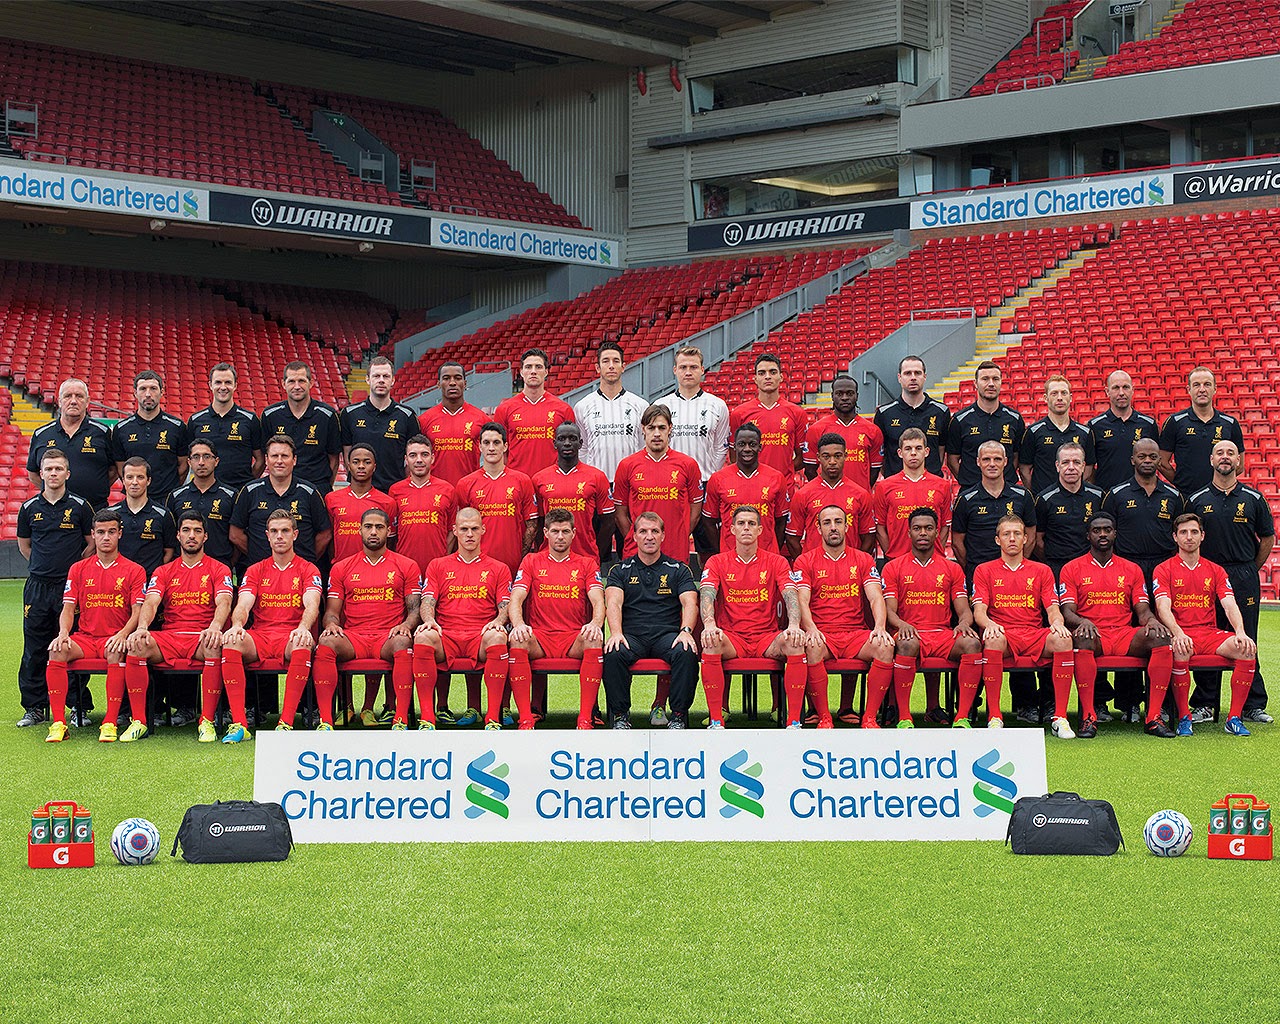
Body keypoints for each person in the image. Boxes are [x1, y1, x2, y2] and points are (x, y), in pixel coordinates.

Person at [1058, 513, 1174, 739]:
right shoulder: (1071, 568)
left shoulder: (1131, 569)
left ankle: (1153, 717)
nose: (1102, 534)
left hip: (1123, 635)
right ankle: (1088, 717)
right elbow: (1067, 612)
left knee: (1160, 637)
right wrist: (1083, 621)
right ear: (1088, 535)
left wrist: (1151, 620)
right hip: (1094, 635)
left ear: (1115, 534)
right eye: (1097, 530)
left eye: (1107, 529)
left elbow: (1142, 610)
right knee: (1082, 637)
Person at [126, 512, 236, 742]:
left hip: (201, 636)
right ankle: (139, 721)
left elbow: (224, 601)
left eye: (197, 531)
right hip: (170, 636)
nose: (191, 536)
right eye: (186, 530)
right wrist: (142, 627)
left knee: (214, 645)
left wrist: (216, 626)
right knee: (137, 645)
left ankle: (207, 721)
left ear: (205, 536)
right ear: (177, 536)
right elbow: (151, 601)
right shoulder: (164, 571)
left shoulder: (219, 569)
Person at [1099, 437, 1186, 721]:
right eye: (1142, 456)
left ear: (1160, 461)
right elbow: (1106, 533)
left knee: (1162, 633)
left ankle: (1161, 703)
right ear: (1132, 460)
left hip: (1164, 570)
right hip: (1128, 570)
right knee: (1131, 633)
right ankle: (1129, 703)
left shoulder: (1173, 496)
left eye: (1153, 456)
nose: (1148, 461)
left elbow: (1181, 535)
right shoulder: (1117, 494)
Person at [1186, 440, 1273, 724]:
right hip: (1206, 578)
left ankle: (1252, 704)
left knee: (1247, 637)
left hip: (1243, 576)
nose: (1225, 458)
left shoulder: (1254, 498)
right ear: (1211, 459)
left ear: (1239, 461)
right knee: (1208, 636)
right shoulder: (1197, 499)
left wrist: (1249, 568)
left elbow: (1267, 538)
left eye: (1230, 453)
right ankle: (1204, 704)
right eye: (1220, 453)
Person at [43, 510, 147, 743]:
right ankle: (59, 723)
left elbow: (137, 611)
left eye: (111, 532)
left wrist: (122, 634)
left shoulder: (134, 570)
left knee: (115, 650)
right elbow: (68, 608)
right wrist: (63, 634)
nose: (106, 537)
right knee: (56, 649)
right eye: (100, 532)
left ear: (120, 534)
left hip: (115, 638)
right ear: (93, 534)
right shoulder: (78, 569)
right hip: (86, 639)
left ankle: (110, 722)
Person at [699, 505, 806, 729]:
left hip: (766, 638)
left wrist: (794, 624)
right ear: (731, 530)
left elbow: (790, 594)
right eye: (741, 524)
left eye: (751, 524)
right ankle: (716, 720)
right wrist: (709, 624)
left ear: (760, 530)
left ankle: (793, 721)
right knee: (711, 642)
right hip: (732, 638)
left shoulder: (777, 561)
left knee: (794, 641)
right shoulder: (717, 562)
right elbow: (707, 594)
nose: (746, 528)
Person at [1153, 513, 1258, 737]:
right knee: (1181, 648)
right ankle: (1184, 717)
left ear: (1202, 536)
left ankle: (1234, 718)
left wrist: (1240, 632)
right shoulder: (1164, 569)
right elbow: (1163, 607)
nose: (1188, 537)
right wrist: (1178, 633)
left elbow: (1229, 604)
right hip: (1182, 633)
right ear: (1175, 537)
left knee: (1247, 649)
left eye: (1194, 532)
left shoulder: (1215, 570)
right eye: (1183, 532)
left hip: (1210, 634)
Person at [969, 516, 1074, 734]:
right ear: (998, 540)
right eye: (1006, 534)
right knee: (993, 638)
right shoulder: (984, 570)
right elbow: (979, 612)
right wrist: (990, 624)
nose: (1012, 539)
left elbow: (1053, 608)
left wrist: (1057, 623)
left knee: (1063, 639)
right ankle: (995, 716)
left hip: (1034, 634)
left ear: (1026, 539)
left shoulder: (1041, 570)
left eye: (1017, 534)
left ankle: (1060, 717)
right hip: (1005, 635)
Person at [794, 504, 896, 729]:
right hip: (823, 634)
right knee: (811, 647)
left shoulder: (863, 559)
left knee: (885, 646)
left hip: (855, 634)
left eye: (838, 522)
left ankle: (869, 718)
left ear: (847, 526)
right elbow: (801, 600)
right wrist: (811, 628)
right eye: (827, 523)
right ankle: (824, 717)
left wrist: (879, 627)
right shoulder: (805, 560)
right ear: (818, 528)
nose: (833, 528)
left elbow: (876, 598)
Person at [317, 508, 420, 729]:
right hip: (355, 638)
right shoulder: (341, 567)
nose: (373, 532)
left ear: (388, 531)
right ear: (359, 530)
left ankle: (400, 718)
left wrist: (406, 625)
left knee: (403, 641)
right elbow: (332, 611)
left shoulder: (407, 565)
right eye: (368, 527)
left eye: (379, 527)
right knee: (326, 641)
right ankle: (326, 720)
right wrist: (332, 624)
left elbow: (414, 609)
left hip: (387, 637)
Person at [221, 510, 324, 732]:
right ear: (267, 535)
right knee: (231, 641)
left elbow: (312, 603)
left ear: (295, 535)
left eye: (285, 531)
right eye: (274, 531)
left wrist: (304, 628)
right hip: (261, 636)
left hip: (290, 636)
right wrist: (237, 625)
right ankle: (239, 723)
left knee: (302, 642)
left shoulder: (308, 568)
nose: (279, 536)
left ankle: (285, 723)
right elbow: (244, 603)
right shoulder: (256, 569)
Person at [412, 508, 512, 730]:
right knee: (423, 637)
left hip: (480, 636)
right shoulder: (438, 565)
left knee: (497, 637)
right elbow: (427, 600)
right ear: (455, 530)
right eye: (464, 529)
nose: (469, 534)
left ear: (483, 531)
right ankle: (427, 719)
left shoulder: (499, 568)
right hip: (446, 634)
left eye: (474, 529)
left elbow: (506, 603)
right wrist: (429, 619)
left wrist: (499, 620)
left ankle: (493, 718)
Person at [881, 509, 980, 730]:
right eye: (917, 528)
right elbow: (889, 611)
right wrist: (902, 624)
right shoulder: (893, 567)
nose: (923, 533)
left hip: (942, 634)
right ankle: (904, 716)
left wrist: (964, 623)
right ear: (909, 533)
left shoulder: (952, 568)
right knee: (907, 643)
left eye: (928, 528)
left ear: (937, 532)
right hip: (909, 633)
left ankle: (962, 717)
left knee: (972, 643)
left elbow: (964, 610)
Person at [16, 449, 94, 728]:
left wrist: (71, 571)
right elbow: (25, 547)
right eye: (48, 469)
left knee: (72, 644)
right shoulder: (28, 509)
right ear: (41, 474)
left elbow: (91, 543)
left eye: (58, 469)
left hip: (69, 587)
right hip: (37, 586)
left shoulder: (81, 506)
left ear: (67, 474)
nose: (53, 474)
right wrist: (42, 567)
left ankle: (77, 705)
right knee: (35, 647)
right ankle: (35, 707)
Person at [509, 509, 606, 729]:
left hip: (573, 638)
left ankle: (585, 719)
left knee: (593, 639)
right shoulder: (531, 561)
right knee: (518, 639)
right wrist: (518, 625)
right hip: (541, 638)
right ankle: (525, 719)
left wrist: (595, 624)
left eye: (564, 531)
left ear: (573, 533)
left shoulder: (587, 563)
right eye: (555, 531)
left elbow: (598, 601)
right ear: (545, 533)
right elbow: (516, 599)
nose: (560, 536)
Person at [602, 512, 699, 728]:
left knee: (686, 651)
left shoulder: (678, 569)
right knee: (613, 653)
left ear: (663, 535)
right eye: (643, 531)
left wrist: (685, 631)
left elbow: (690, 603)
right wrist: (616, 633)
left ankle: (678, 717)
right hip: (632, 637)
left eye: (655, 531)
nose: (649, 536)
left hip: (666, 636)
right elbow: (614, 603)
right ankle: (620, 716)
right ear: (634, 536)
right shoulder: (620, 570)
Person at [613, 404, 704, 563]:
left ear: (670, 428)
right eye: (651, 427)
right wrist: (638, 538)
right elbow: (620, 514)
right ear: (643, 429)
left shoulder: (688, 464)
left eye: (661, 427)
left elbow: (695, 511)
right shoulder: (627, 465)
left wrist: (679, 536)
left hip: (675, 552)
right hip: (637, 553)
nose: (656, 433)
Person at [230, 436, 331, 567]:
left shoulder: (309, 492)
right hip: (260, 572)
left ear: (294, 460)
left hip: (300, 573)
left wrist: (304, 561)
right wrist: (259, 556)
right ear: (266, 460)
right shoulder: (250, 491)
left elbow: (325, 535)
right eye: (274, 456)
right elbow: (235, 534)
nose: (279, 461)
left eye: (284, 456)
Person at [454, 422, 538, 574]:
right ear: (480, 447)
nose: (491, 448)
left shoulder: (522, 481)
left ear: (505, 446)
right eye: (486, 443)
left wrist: (520, 556)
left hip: (512, 564)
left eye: (496, 442)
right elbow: (460, 529)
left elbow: (531, 525)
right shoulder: (465, 484)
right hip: (477, 566)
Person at [950, 441, 1037, 585]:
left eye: (997, 459)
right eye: (986, 459)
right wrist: (975, 569)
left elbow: (1031, 535)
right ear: (978, 462)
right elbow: (957, 543)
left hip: (1016, 574)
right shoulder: (965, 499)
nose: (992, 464)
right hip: (979, 575)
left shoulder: (1023, 496)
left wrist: (1016, 564)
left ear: (1006, 461)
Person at [702, 423, 791, 555]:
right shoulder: (718, 479)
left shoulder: (776, 478)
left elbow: (781, 522)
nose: (747, 449)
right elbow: (709, 521)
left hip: (767, 558)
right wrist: (722, 552)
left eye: (752, 444)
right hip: (730, 558)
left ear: (760, 447)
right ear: (734, 447)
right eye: (742, 444)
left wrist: (770, 552)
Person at [27, 377, 115, 509]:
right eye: (68, 396)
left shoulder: (103, 432)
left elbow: (114, 470)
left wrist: (95, 488)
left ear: (87, 402)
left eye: (79, 396)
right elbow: (33, 473)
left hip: (95, 510)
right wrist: (54, 492)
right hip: (54, 511)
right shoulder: (41, 434)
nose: (73, 401)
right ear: (60, 401)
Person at [531, 422, 614, 561]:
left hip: (586, 557)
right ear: (554, 443)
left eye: (572, 438)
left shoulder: (597, 477)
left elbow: (609, 522)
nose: (567, 443)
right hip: (549, 558)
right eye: (562, 439)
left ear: (581, 443)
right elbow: (538, 523)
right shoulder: (539, 479)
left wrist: (595, 553)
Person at [1159, 366, 1244, 495]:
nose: (1202, 389)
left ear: (1215, 389)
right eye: (1197, 385)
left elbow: (1239, 465)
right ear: (1189, 389)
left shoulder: (1230, 423)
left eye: (1207, 384)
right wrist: (1182, 484)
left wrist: (1219, 484)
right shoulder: (1175, 422)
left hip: (1221, 497)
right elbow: (1162, 462)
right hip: (1187, 497)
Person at [786, 433, 875, 557]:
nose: (832, 462)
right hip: (815, 571)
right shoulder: (803, 494)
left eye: (837, 456)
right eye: (826, 456)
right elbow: (792, 538)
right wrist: (807, 565)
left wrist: (855, 563)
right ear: (818, 457)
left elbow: (869, 538)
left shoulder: (860, 494)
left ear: (845, 456)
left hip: (850, 571)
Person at [259, 360, 341, 494]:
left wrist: (325, 486)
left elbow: (334, 459)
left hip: (317, 487)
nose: (297, 386)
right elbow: (264, 456)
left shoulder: (327, 415)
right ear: (283, 384)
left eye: (302, 381)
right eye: (291, 381)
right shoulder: (270, 415)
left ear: (311, 383)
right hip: (280, 489)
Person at [340, 355, 418, 493]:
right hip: (360, 491)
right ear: (367, 379)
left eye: (386, 376)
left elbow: (412, 456)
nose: (381, 380)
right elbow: (347, 455)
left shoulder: (407, 416)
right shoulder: (349, 414)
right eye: (376, 376)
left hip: (394, 491)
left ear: (393, 380)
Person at [573, 341, 647, 483]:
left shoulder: (640, 405)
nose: (611, 366)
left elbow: (643, 447)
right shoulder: (582, 406)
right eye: (606, 361)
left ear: (623, 367)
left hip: (631, 483)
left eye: (616, 361)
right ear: (597, 368)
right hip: (596, 484)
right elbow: (582, 450)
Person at [494, 347, 576, 477]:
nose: (533, 371)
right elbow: (500, 452)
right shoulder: (504, 409)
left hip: (552, 482)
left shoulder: (563, 409)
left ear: (546, 372)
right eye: (528, 367)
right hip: (517, 482)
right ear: (521, 372)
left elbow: (571, 451)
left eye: (538, 367)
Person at [872, 428, 952, 559]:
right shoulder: (884, 486)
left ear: (926, 452)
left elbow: (944, 527)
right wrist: (892, 556)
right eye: (908, 449)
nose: (913, 453)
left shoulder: (942, 485)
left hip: (932, 561)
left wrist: (934, 554)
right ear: (900, 453)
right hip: (897, 560)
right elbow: (880, 528)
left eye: (918, 448)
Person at [110, 370, 189, 503]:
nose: (148, 394)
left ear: (161, 392)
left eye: (153, 388)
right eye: (142, 389)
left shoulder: (177, 427)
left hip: (167, 500)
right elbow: (120, 467)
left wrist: (166, 489)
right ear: (135, 393)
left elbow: (183, 466)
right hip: (133, 501)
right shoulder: (121, 429)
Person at [946, 360, 1024, 488]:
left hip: (1007, 493)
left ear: (1001, 382)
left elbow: (1015, 456)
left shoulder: (1014, 419)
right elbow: (952, 459)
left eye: (995, 379)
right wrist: (969, 482)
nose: (991, 384)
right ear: (975, 383)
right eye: (985, 379)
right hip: (971, 491)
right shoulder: (960, 420)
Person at [389, 434, 458, 576]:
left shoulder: (447, 490)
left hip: (438, 570)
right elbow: (391, 534)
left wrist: (442, 558)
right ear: (406, 460)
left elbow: (452, 531)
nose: (419, 460)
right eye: (413, 455)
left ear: (432, 458)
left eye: (424, 455)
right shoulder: (395, 491)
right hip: (404, 569)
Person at [1033, 443, 1105, 577]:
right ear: (1057, 466)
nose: (1071, 467)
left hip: (1091, 567)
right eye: (1065, 462)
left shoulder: (1098, 496)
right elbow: (1038, 540)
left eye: (1076, 462)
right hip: (1057, 567)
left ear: (1083, 466)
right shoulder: (1044, 499)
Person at [188, 363, 263, 490]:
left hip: (239, 492)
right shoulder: (196, 421)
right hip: (205, 492)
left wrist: (246, 483)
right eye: (218, 382)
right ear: (210, 385)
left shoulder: (250, 419)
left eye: (228, 382)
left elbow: (260, 459)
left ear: (235, 385)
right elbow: (187, 459)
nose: (223, 387)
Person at [729, 352, 806, 476]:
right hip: (752, 486)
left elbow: (801, 458)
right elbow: (734, 457)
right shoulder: (739, 413)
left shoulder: (797, 413)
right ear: (755, 379)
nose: (767, 376)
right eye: (762, 373)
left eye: (773, 372)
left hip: (785, 487)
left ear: (781, 377)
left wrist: (781, 474)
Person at [802, 375, 883, 491]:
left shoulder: (873, 431)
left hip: (860, 499)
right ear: (832, 396)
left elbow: (874, 470)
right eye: (839, 394)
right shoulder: (816, 429)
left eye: (850, 393)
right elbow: (810, 470)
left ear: (857, 396)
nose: (845, 398)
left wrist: (860, 491)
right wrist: (825, 491)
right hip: (828, 502)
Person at [874, 354, 950, 476]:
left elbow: (941, 452)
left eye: (917, 373)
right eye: (908, 373)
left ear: (924, 376)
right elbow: (882, 455)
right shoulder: (884, 413)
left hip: (930, 486)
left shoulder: (941, 412)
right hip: (895, 486)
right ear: (899, 377)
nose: (913, 377)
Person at [1018, 375, 1095, 496]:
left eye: (1064, 393)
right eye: (1054, 393)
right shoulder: (1033, 432)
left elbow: (1089, 467)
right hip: (1044, 504)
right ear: (1045, 398)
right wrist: (1038, 496)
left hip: (1076, 500)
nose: (1060, 398)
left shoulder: (1085, 432)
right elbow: (1024, 469)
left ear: (1070, 398)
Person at [167, 440, 238, 570]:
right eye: (196, 457)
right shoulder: (176, 496)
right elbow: (169, 537)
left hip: (220, 568)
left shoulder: (232, 495)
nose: (201, 462)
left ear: (216, 461)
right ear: (189, 462)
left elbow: (236, 535)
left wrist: (229, 564)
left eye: (206, 456)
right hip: (183, 569)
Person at [667, 345, 731, 486]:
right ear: (675, 370)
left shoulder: (718, 405)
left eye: (693, 367)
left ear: (702, 370)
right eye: (683, 367)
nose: (688, 372)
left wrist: (710, 471)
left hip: (705, 481)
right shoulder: (661, 405)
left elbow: (721, 446)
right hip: (669, 482)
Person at [1088, 370, 1159, 492]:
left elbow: (1157, 461)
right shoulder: (1095, 426)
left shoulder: (1148, 424)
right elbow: (1089, 467)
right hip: (1107, 495)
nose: (1121, 393)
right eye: (1116, 388)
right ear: (1107, 392)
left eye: (1125, 387)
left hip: (1142, 495)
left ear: (1132, 390)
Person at [324, 443, 396, 563]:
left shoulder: (387, 502)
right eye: (356, 462)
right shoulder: (332, 499)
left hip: (376, 569)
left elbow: (391, 541)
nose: (361, 466)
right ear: (348, 466)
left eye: (367, 462)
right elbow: (329, 536)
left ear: (374, 467)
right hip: (341, 568)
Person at [416, 361, 485, 485]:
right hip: (435, 492)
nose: (452, 383)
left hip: (470, 489)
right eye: (446, 378)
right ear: (438, 384)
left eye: (458, 378)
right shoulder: (424, 420)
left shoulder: (481, 419)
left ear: (465, 383)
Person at [109, 457, 176, 578]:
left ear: (148, 480)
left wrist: (155, 574)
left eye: (140, 477)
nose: (134, 482)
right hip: (117, 581)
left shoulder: (163, 515)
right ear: (123, 480)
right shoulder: (111, 515)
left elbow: (169, 551)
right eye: (130, 477)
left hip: (150, 583)